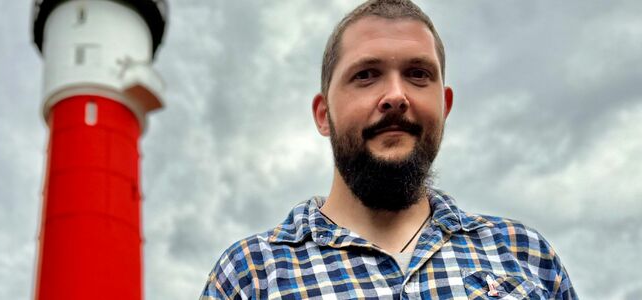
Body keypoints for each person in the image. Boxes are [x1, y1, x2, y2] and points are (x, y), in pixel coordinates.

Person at [201, 0, 577, 299]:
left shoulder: (526, 255)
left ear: (445, 106)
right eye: (366, 75)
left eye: (418, 74)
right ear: (323, 114)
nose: (395, 96)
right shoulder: (250, 275)